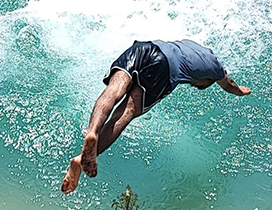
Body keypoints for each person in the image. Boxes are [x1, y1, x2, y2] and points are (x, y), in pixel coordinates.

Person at [61, 39, 250, 194]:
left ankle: (92, 131)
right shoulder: (216, 68)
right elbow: (229, 84)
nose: (193, 85)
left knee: (115, 89)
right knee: (126, 112)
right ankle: (81, 158)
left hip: (143, 48)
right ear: (207, 79)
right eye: (198, 84)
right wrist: (240, 92)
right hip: (164, 68)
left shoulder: (192, 45)